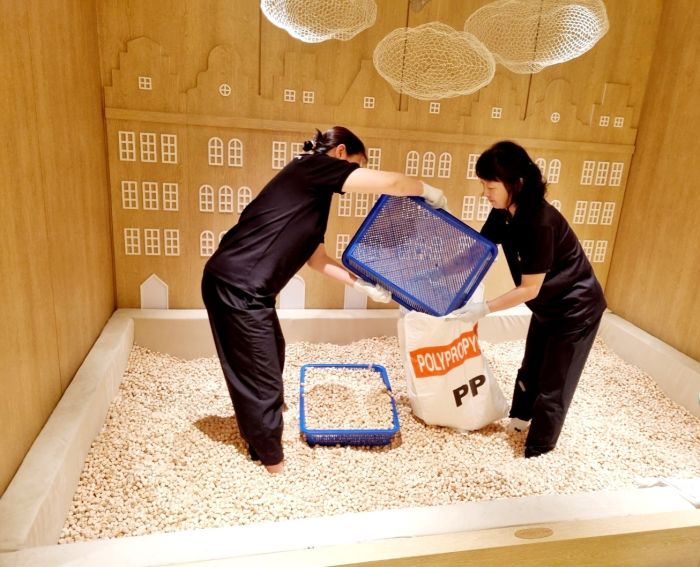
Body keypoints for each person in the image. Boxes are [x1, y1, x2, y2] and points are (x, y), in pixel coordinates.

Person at [201, 126, 447, 474]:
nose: (355, 176)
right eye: (356, 166)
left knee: (272, 351)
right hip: (236, 285)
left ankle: (264, 423)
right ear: (340, 153)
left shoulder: (313, 195)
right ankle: (271, 461)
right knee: (259, 374)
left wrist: (361, 285)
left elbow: (317, 259)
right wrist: (428, 190)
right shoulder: (312, 167)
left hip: (251, 289)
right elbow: (393, 184)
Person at [452, 140, 606, 458]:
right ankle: (520, 420)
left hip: (575, 309)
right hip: (547, 305)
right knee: (531, 367)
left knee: (555, 382)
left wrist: (483, 308)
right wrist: (441, 273)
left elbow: (529, 288)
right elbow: (479, 251)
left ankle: (539, 449)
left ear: (517, 183)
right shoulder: (504, 213)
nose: (485, 193)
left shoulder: (541, 222)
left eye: (490, 186)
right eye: (483, 185)